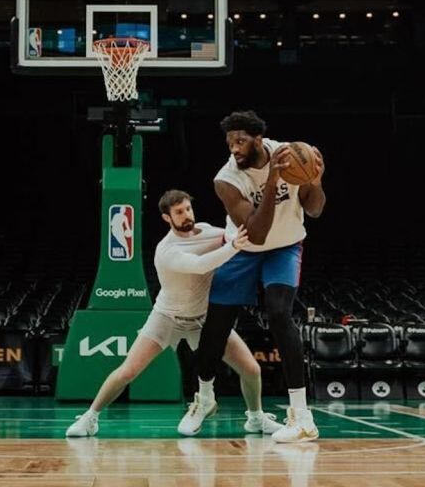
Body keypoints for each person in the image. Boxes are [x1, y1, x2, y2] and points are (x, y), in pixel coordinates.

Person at [65, 189, 285, 438]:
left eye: (188, 208)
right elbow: (200, 265)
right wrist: (234, 246)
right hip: (167, 318)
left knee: (252, 369)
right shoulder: (166, 250)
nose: (186, 214)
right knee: (128, 371)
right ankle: (90, 417)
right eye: (179, 212)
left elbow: (236, 234)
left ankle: (256, 419)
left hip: (204, 320)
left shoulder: (209, 232)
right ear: (167, 218)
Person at [181, 110, 326, 443]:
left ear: (259, 140)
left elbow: (315, 209)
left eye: (241, 140)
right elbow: (257, 234)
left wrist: (313, 181)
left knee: (279, 313)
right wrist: (274, 182)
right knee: (217, 324)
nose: (234, 148)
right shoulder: (226, 180)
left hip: (285, 247)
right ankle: (203, 400)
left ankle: (301, 416)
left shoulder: (291, 155)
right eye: (230, 142)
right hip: (244, 247)